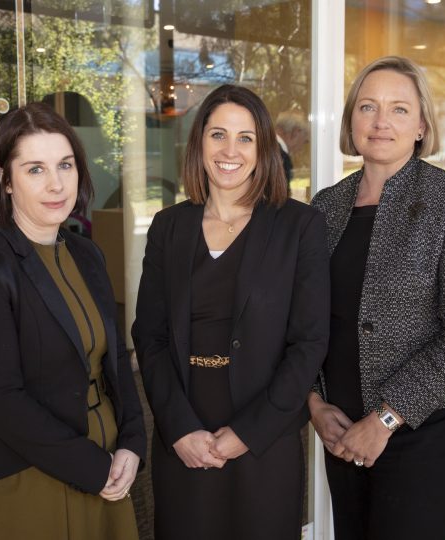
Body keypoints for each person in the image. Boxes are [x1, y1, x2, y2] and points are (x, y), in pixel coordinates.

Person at [309, 56, 445, 540]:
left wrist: (386, 419)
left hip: (432, 425)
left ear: (420, 126)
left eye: (398, 109)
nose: (380, 122)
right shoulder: (323, 206)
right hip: (342, 423)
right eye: (368, 106)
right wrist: (313, 401)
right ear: (351, 120)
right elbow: (304, 318)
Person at [132, 85, 330, 540]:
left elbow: (309, 343)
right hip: (183, 435)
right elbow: (151, 336)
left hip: (263, 439)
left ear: (263, 148)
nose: (230, 151)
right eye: (218, 134)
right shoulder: (168, 227)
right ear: (199, 141)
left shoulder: (299, 228)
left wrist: (246, 432)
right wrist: (178, 428)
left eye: (245, 138)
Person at [0, 102, 146, 540]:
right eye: (35, 169)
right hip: (33, 476)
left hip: (109, 461)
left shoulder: (87, 254)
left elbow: (115, 361)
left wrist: (132, 441)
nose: (56, 184)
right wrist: (94, 469)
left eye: (65, 165)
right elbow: (1, 400)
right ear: (5, 181)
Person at [275, 109, 310, 193]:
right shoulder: (280, 156)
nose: (303, 147)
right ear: (296, 132)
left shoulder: (265, 147)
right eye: (305, 141)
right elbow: (280, 198)